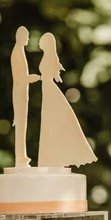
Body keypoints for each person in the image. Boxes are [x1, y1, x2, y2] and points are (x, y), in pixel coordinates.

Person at [38, 32, 97, 168]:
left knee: (52, 121)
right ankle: (50, 156)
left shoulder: (49, 58)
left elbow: (49, 75)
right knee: (50, 122)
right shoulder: (48, 57)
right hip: (47, 89)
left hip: (49, 90)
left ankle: (53, 157)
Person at [11, 27, 40, 167]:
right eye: (26, 37)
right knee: (20, 125)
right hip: (19, 92)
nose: (28, 40)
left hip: (23, 92)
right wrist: (30, 78)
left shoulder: (20, 52)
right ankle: (20, 157)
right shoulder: (16, 53)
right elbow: (18, 78)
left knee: (23, 125)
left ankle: (22, 155)